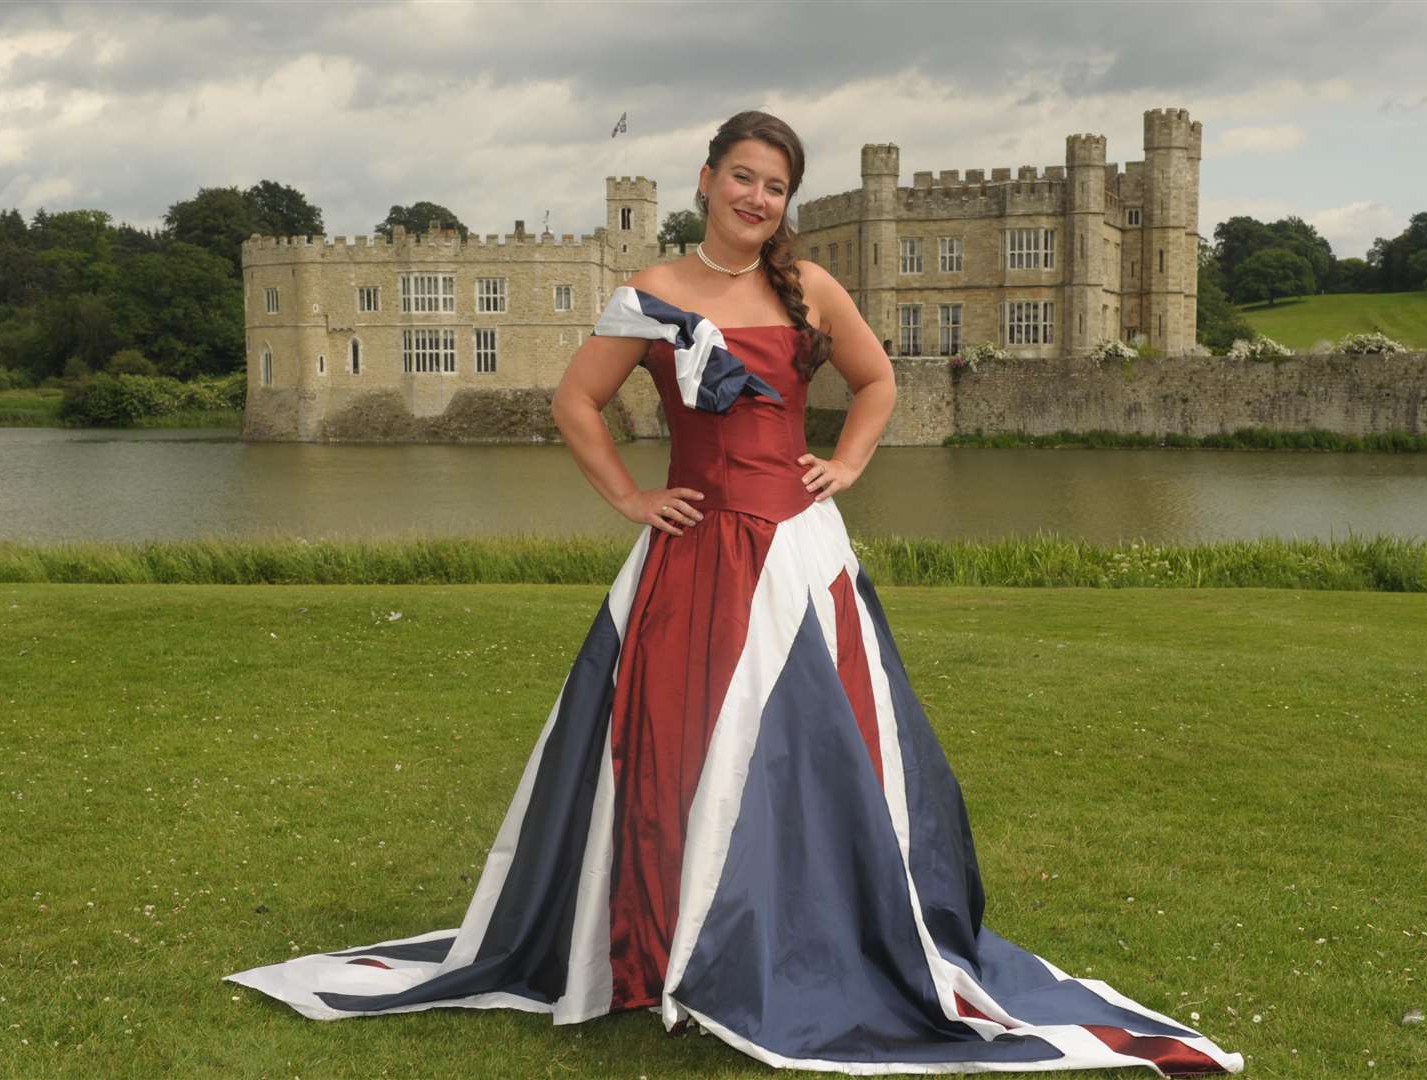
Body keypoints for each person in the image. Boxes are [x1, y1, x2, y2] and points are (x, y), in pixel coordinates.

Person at [226, 110, 1242, 1077]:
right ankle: (658, 945)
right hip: (692, 552)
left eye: (775, 185)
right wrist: (629, 494)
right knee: (667, 747)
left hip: (798, 553)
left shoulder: (807, 285)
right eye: (742, 177)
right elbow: (574, 401)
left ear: (784, 199)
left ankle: (799, 934)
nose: (756, 197)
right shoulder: (653, 288)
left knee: (816, 750)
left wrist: (842, 462)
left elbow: (876, 381)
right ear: (707, 180)